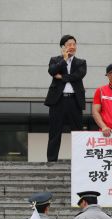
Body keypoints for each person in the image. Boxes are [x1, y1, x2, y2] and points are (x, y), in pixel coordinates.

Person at [44, 34, 86, 162]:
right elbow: (52, 71)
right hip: (58, 100)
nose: (72, 47)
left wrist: (61, 77)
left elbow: (78, 76)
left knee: (77, 132)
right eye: (69, 45)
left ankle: (79, 160)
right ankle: (51, 160)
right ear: (63, 47)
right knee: (54, 131)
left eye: (74, 44)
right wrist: (64, 59)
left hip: (74, 100)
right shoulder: (55, 60)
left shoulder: (81, 62)